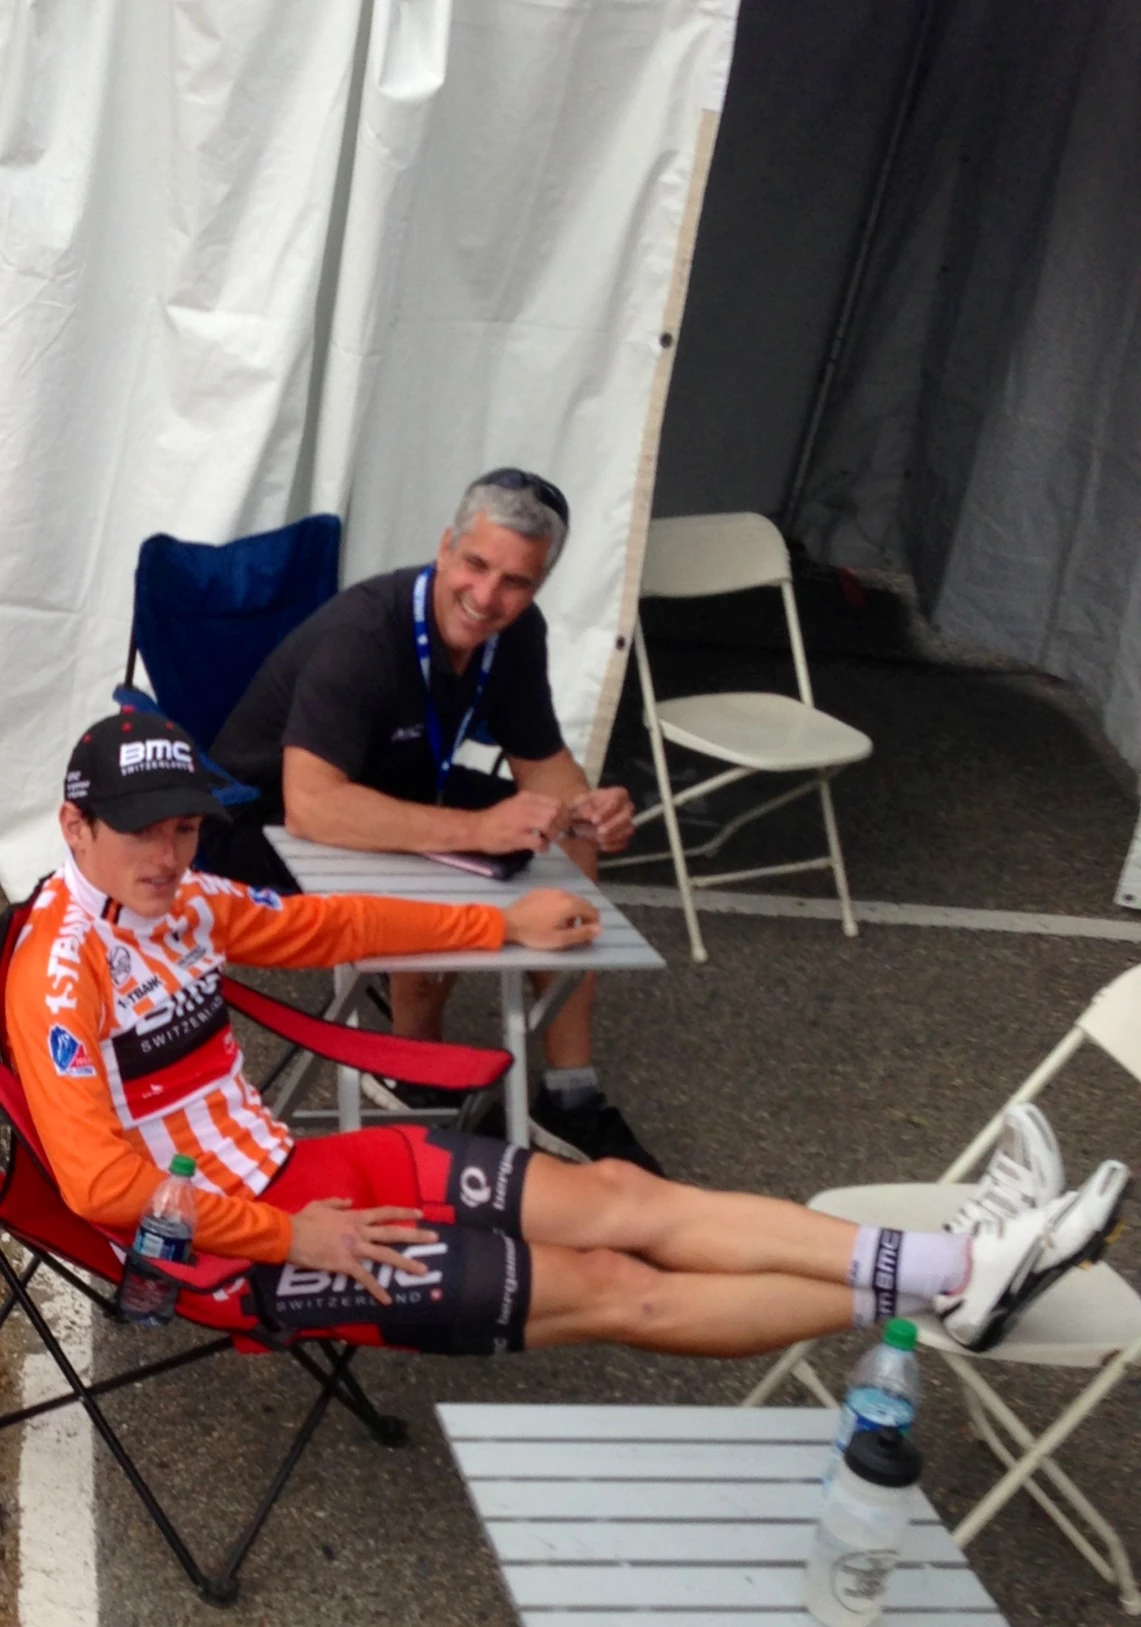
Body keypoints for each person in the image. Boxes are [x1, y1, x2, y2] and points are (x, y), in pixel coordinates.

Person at [3, 713, 1128, 1362]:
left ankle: (959, 1270)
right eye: (142, 832)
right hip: (225, 1249)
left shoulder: (185, 896)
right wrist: (290, 1238)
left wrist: (497, 920)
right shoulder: (59, 973)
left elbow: (328, 921)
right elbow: (106, 1187)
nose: (169, 850)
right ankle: (950, 1282)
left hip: (297, 1168)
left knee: (627, 1196)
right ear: (73, 827)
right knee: (611, 1286)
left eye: (186, 824)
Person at [205, 469, 652, 1169]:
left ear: (536, 587)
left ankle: (571, 1093)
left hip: (398, 781)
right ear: (445, 548)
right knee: (428, 858)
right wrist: (478, 830)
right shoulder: (365, 634)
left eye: (515, 582)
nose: (486, 596)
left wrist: (589, 806)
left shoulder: (515, 631)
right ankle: (415, 1074)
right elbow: (313, 804)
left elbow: (546, 768)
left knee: (561, 827)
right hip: (258, 820)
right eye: (475, 565)